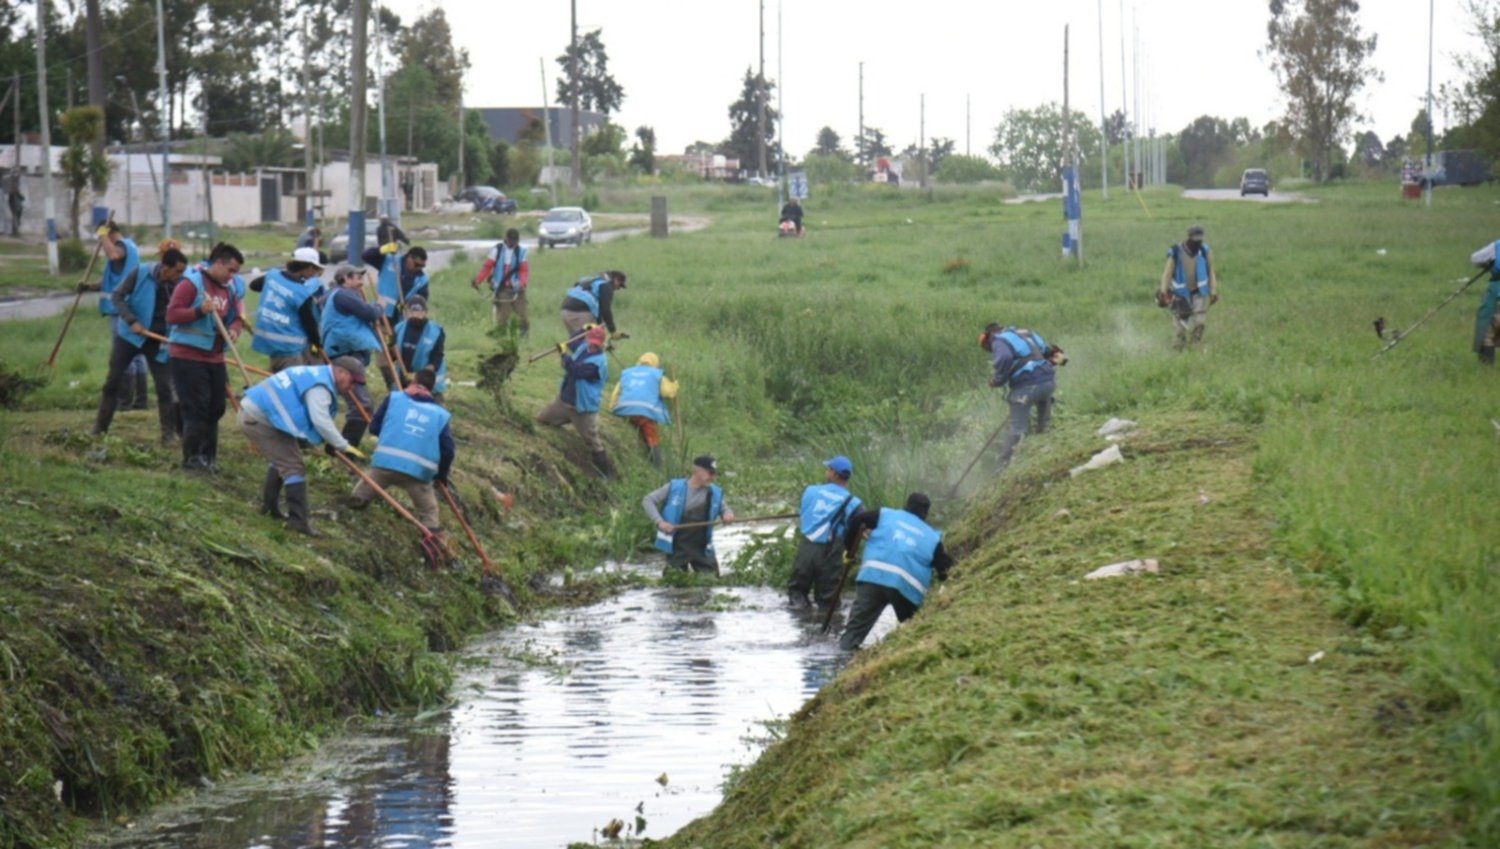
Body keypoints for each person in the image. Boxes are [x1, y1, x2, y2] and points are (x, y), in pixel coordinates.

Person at [239, 362, 364, 535]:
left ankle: (270, 508)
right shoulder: (320, 387)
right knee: (294, 467)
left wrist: (328, 440)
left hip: (261, 412)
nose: (352, 387)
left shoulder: (316, 374)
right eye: (352, 381)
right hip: (259, 418)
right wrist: (342, 445)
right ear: (341, 371)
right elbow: (320, 420)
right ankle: (298, 521)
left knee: (283, 459)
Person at [93, 247, 188, 442]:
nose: (181, 276)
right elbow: (117, 296)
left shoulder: (180, 284)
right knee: (112, 382)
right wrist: (131, 320)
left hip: (158, 340)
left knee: (165, 387)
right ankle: (99, 429)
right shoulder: (140, 272)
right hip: (130, 336)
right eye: (177, 271)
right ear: (165, 267)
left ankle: (168, 435)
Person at [349, 367, 454, 543]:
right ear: (432, 390)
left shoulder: (394, 398)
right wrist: (441, 476)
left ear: (413, 381)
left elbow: (374, 428)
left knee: (358, 497)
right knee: (429, 513)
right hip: (417, 475)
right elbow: (448, 450)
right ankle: (434, 548)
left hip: (384, 466)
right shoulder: (440, 415)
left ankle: (351, 524)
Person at [166, 242, 246, 472]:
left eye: (235, 273)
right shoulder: (191, 284)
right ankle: (192, 459)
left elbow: (237, 317)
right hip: (188, 356)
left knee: (215, 408)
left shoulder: (228, 290)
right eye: (230, 270)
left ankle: (209, 457)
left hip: (215, 357)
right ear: (218, 263)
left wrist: (234, 328)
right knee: (196, 408)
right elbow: (172, 315)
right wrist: (199, 310)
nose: (232, 277)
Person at [838, 493, 953, 651]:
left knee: (852, 634)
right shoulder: (933, 538)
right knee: (913, 629)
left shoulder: (885, 514)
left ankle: (843, 659)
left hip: (873, 577)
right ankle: (903, 652)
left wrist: (850, 550)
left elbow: (857, 520)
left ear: (906, 505)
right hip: (906, 589)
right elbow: (945, 568)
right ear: (926, 514)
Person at [319, 264, 394, 445]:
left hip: (346, 353)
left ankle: (340, 446)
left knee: (355, 403)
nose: (362, 282)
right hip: (345, 355)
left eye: (362, 278)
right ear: (345, 279)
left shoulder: (339, 295)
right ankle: (345, 448)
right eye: (357, 278)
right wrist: (379, 306)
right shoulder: (345, 295)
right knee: (362, 405)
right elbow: (369, 313)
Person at [981, 321, 1063, 469]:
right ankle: (1044, 447)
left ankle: (1002, 467)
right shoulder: (1026, 333)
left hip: (1027, 388)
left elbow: (1005, 358)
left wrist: (997, 380)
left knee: (1017, 428)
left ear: (989, 335)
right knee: (1043, 422)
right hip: (1048, 383)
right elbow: (1048, 351)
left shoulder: (998, 340)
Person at [788, 456, 863, 614]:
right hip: (832, 550)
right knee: (828, 599)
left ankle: (802, 622)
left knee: (797, 592)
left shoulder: (811, 491)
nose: (826, 471)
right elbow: (861, 526)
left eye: (828, 469)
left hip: (807, 546)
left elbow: (805, 513)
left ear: (834, 474)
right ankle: (827, 632)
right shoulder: (853, 502)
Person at [536, 325, 613, 477]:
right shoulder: (583, 347)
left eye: (596, 344)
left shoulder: (598, 363)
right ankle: (563, 421)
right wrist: (583, 328)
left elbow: (576, 370)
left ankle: (606, 475)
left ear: (602, 344)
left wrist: (564, 355)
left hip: (582, 409)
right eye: (591, 342)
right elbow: (572, 342)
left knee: (593, 442)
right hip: (563, 402)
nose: (592, 346)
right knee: (541, 419)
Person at [642, 455, 738, 575]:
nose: (713, 477)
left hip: (703, 546)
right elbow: (648, 500)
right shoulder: (674, 487)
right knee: (674, 583)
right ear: (697, 471)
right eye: (710, 473)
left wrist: (728, 515)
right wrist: (660, 522)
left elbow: (725, 509)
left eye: (714, 474)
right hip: (677, 545)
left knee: (712, 581)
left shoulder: (714, 492)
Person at [250, 247, 326, 372]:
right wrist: (318, 343)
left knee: (277, 382)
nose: (315, 274)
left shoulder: (272, 276)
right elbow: (309, 323)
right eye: (315, 269)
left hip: (269, 342)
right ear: (309, 267)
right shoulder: (301, 293)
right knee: (291, 386)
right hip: (289, 349)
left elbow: (253, 285)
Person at [607, 351, 678, 468]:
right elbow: (667, 393)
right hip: (645, 414)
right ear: (656, 363)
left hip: (625, 411)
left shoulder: (628, 372)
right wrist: (675, 386)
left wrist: (613, 409)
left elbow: (616, 393)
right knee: (652, 436)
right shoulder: (657, 374)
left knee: (637, 422)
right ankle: (658, 464)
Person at [1157, 224, 1219, 350]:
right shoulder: (1175, 252)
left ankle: (1194, 346)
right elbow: (1167, 273)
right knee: (1180, 327)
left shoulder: (1205, 251)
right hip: (1180, 295)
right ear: (1189, 237)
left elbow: (1210, 272)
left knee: (1200, 323)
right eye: (1195, 240)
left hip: (1199, 293)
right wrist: (1163, 292)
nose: (1198, 243)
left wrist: (1213, 291)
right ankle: (1178, 349)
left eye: (1200, 239)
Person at [473, 228, 530, 335]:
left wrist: (523, 283)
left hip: (518, 289)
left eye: (515, 241)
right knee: (503, 317)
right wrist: (478, 280)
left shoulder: (521, 252)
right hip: (502, 289)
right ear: (506, 239)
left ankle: (524, 339)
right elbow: (487, 267)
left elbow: (524, 270)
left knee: (523, 316)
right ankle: (501, 337)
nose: (513, 243)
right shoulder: (497, 250)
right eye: (511, 240)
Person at [393, 296, 447, 401]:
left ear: (425, 312)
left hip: (429, 384)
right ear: (407, 312)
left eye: (419, 311)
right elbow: (393, 356)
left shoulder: (436, 332)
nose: (416, 314)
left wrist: (418, 377)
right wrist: (390, 344)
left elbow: (436, 359)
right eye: (412, 311)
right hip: (404, 381)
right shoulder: (398, 328)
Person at [560, 270, 627, 338]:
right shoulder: (606, 285)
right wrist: (613, 331)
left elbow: (598, 312)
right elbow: (605, 310)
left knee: (577, 343)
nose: (618, 288)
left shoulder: (590, 280)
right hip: (580, 312)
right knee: (593, 342)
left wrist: (601, 328)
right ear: (616, 280)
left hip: (565, 311)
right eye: (620, 285)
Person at [1472, 238, 1500, 365]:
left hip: (1497, 294)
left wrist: (1488, 263)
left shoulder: (1498, 246)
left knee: (1487, 334)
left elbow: (1476, 258)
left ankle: (1486, 368)